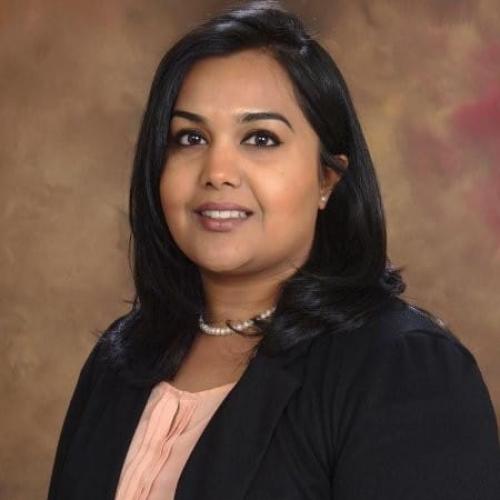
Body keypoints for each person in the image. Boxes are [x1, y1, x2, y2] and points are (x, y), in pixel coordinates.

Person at [47, 1, 500, 499]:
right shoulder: (121, 361)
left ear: (327, 178)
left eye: (261, 139)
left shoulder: (403, 370)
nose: (218, 172)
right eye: (190, 137)